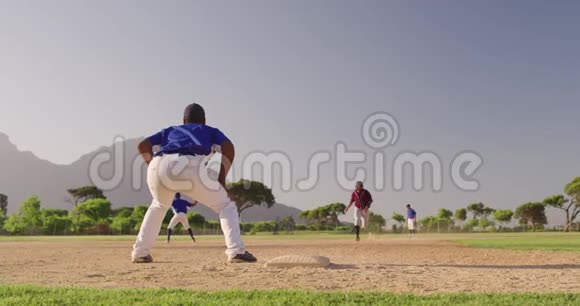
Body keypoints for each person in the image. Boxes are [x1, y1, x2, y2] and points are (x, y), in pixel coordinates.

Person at [131, 103, 257, 264]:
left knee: (158, 205)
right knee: (226, 205)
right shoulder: (209, 130)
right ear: (203, 120)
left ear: (183, 120)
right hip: (188, 163)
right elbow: (228, 147)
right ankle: (236, 251)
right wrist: (221, 179)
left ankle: (140, 252)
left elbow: (143, 145)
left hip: (157, 164)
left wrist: (156, 168)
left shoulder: (170, 131)